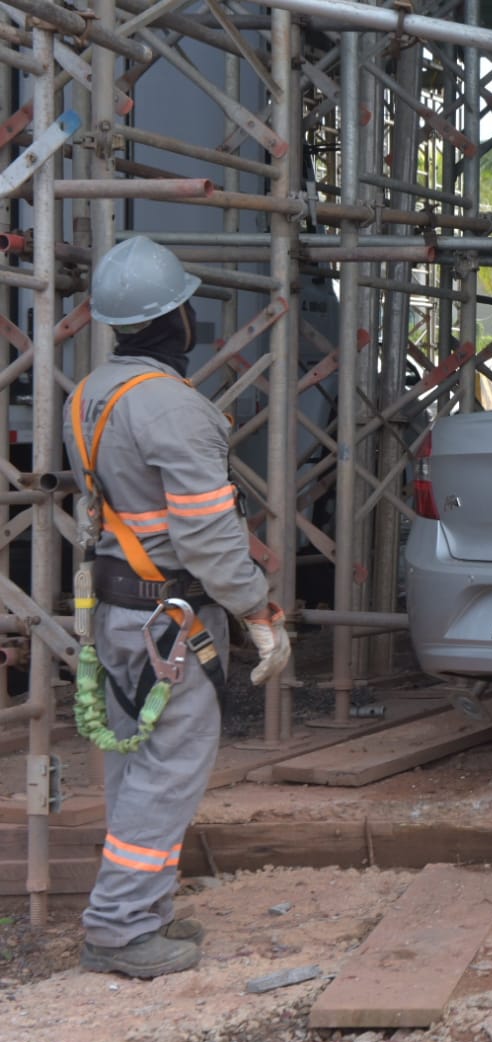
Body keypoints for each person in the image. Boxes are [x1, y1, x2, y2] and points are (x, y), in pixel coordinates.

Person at [65, 236, 292, 978]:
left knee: (133, 766)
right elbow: (205, 534)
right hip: (171, 619)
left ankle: (138, 914)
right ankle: (121, 929)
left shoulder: (89, 393)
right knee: (169, 772)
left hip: (119, 613)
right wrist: (257, 611)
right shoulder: (174, 407)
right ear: (176, 319)